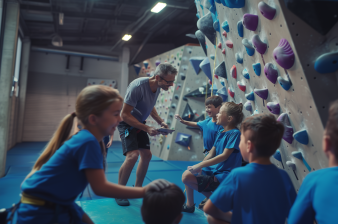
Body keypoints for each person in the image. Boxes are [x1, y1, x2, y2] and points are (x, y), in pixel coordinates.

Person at [17, 85, 171, 224]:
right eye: (116, 114)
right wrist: (145, 191)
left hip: (61, 203)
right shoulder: (87, 142)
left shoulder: (93, 142)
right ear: (93, 119)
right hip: (39, 212)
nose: (120, 119)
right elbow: (100, 188)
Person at [204, 114, 297, 224]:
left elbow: (209, 209)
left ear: (249, 146)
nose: (239, 145)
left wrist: (236, 218)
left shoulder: (238, 174)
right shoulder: (284, 176)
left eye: (240, 140)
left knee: (211, 218)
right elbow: (294, 213)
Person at [116, 63, 177, 206]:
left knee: (147, 155)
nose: (171, 84)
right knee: (132, 156)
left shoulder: (158, 87)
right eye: (169, 82)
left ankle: (137, 189)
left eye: (173, 81)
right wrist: (146, 128)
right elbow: (124, 115)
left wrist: (160, 121)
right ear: (157, 77)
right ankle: (119, 192)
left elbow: (150, 106)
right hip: (127, 123)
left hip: (140, 122)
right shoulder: (137, 87)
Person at [181, 102, 244, 213]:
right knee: (187, 174)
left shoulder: (235, 133)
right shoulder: (221, 131)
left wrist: (199, 165)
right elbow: (211, 154)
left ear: (229, 119)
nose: (217, 115)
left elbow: (224, 156)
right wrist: (199, 167)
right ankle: (190, 205)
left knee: (186, 178)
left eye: (220, 113)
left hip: (224, 174)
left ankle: (215, 201)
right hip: (214, 170)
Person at [175, 95, 223, 209]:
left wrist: (201, 164)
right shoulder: (207, 121)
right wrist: (183, 121)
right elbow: (195, 124)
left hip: (214, 158)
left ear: (219, 108)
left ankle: (212, 200)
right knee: (193, 177)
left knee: (195, 178)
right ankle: (190, 204)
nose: (207, 110)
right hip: (208, 155)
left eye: (210, 107)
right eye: (206, 107)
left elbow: (215, 150)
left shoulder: (221, 126)